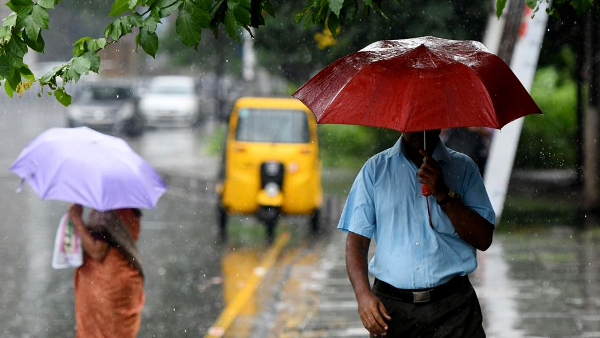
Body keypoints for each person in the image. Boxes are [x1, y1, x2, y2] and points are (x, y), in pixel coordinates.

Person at [338, 130, 495, 337]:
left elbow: (483, 239)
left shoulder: (464, 168)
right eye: (411, 120)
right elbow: (356, 243)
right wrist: (363, 296)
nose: (418, 128)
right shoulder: (375, 170)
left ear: (440, 123)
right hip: (392, 310)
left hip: (454, 308)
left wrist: (443, 193)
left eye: (426, 119)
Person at [68, 204, 145, 338]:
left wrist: (76, 219)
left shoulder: (106, 211)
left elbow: (97, 250)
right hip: (127, 280)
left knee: (98, 333)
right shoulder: (130, 209)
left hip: (105, 284)